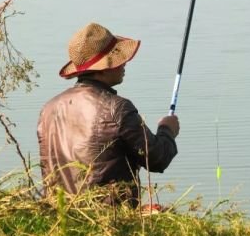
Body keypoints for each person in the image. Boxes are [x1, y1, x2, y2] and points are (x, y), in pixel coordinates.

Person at [37, 21, 180, 205]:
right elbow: (156, 159)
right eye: (117, 58)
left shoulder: (49, 109)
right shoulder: (118, 108)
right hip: (111, 221)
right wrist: (167, 130)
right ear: (103, 68)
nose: (124, 63)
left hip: (61, 215)